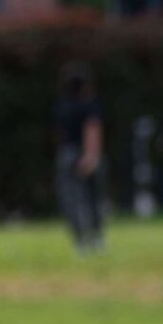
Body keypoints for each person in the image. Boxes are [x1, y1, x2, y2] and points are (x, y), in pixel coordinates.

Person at [54, 64, 106, 251]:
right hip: (84, 152)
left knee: (72, 199)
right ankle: (97, 237)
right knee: (93, 197)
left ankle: (80, 240)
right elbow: (92, 129)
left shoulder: (61, 106)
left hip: (66, 154)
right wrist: (91, 156)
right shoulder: (88, 105)